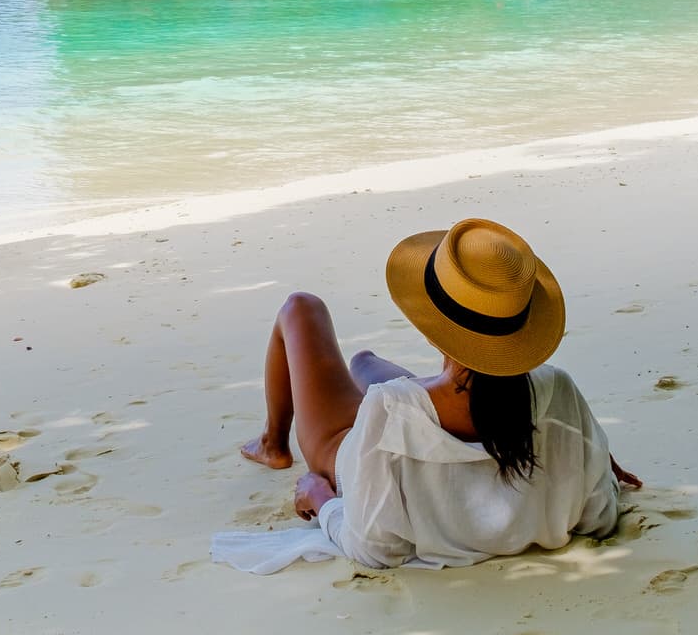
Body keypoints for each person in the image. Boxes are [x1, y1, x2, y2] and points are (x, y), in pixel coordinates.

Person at [237, 217, 639, 568]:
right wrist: (594, 461)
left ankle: (273, 443)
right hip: (418, 416)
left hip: (354, 448)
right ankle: (396, 379)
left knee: (301, 307)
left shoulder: (388, 409)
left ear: (438, 333)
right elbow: (597, 516)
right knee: (364, 363)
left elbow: (374, 549)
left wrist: (321, 498)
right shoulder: (559, 391)